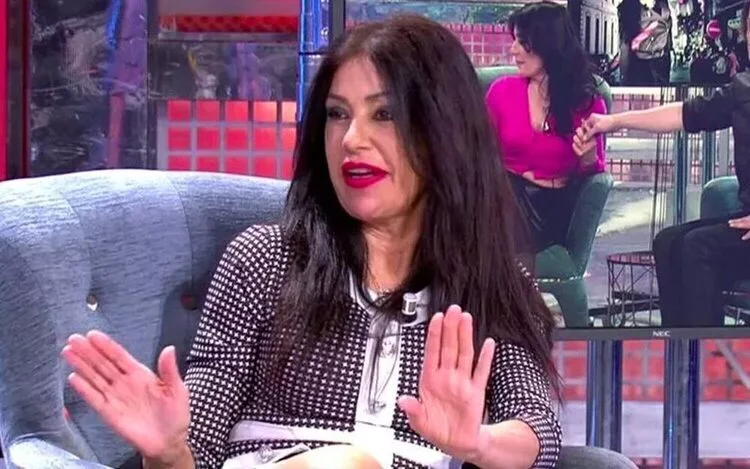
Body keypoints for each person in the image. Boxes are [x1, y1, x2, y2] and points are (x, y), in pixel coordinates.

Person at [61, 15, 563, 469]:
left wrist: (479, 442)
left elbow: (537, 427)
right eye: (337, 114)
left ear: (445, 132)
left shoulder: (495, 286)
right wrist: (167, 452)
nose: (351, 139)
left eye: (384, 115)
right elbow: (198, 447)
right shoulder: (264, 261)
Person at [579, 2, 750, 327]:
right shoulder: (742, 89)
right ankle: (680, 348)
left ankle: (707, 351)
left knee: (698, 248)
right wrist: (613, 122)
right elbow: (682, 114)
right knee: (668, 243)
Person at [486, 1, 607, 252]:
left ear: (548, 45)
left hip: (551, 209)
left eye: (522, 42)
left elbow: (592, 175)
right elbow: (480, 154)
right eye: (514, 40)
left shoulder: (586, 102)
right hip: (503, 200)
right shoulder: (502, 92)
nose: (513, 50)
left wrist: (588, 158)